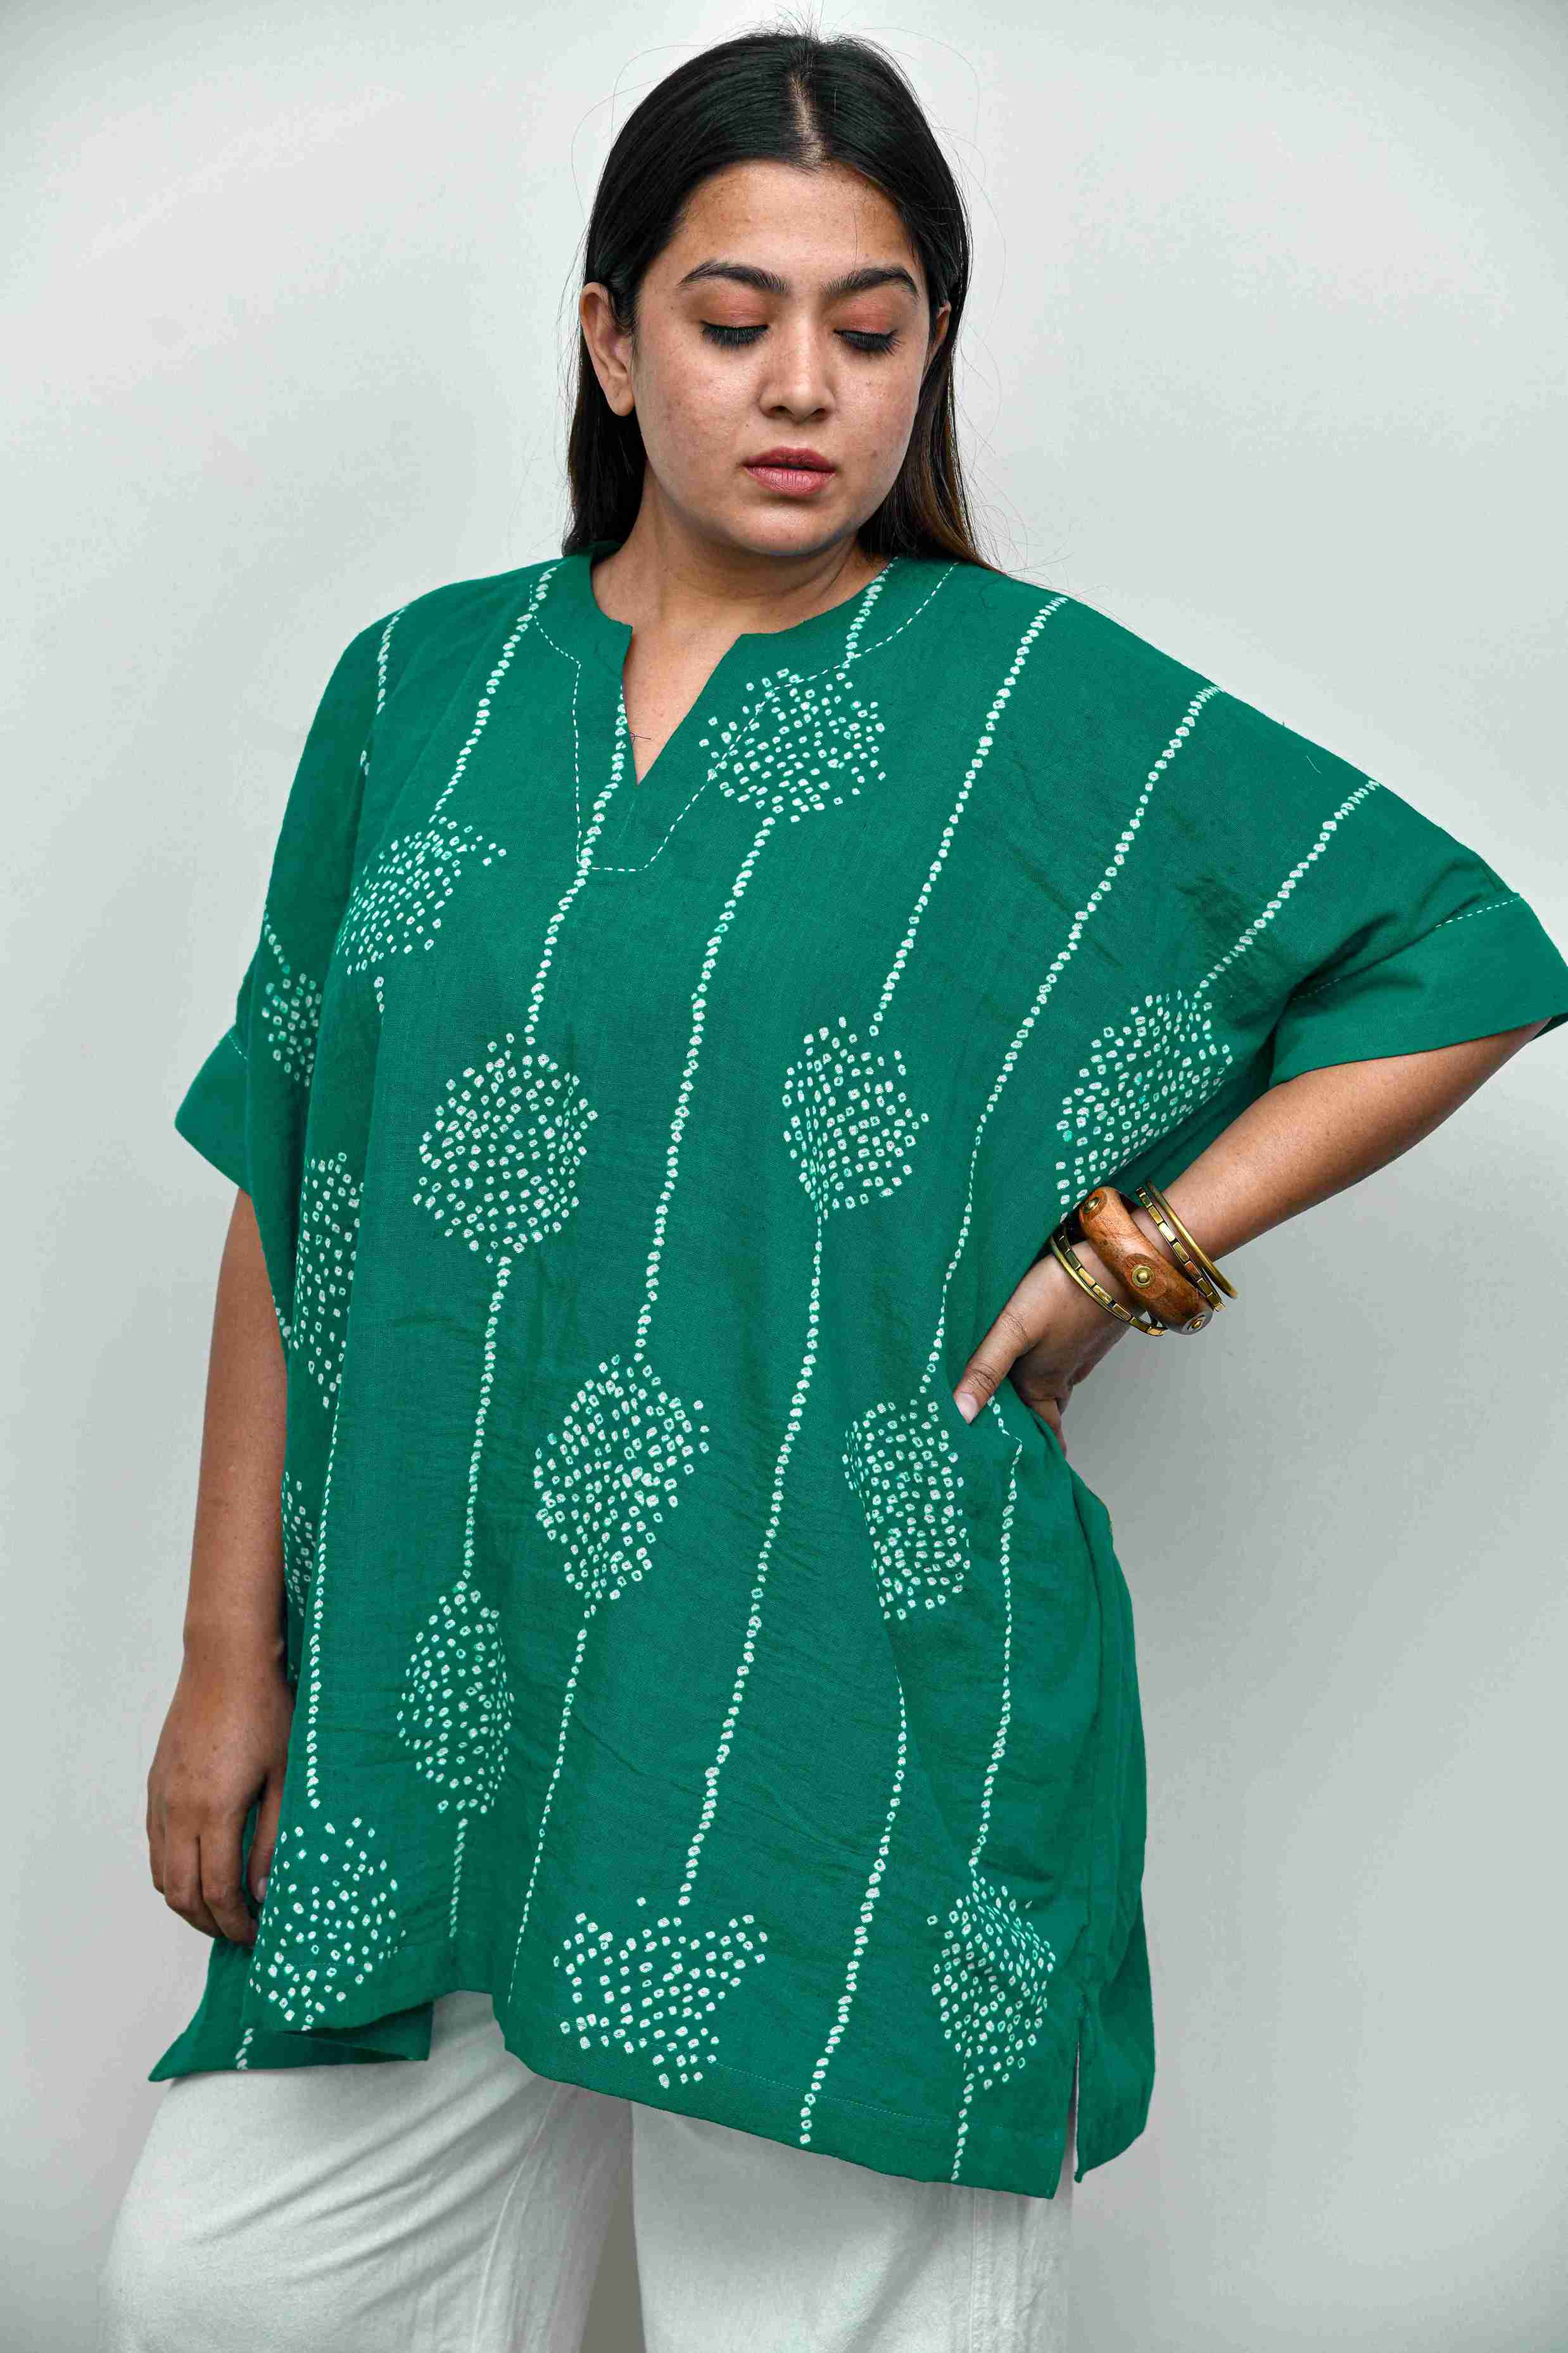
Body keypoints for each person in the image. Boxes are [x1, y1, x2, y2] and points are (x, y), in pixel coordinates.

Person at [98, 23, 1568, 2353]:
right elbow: (297, 1180)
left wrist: (1137, 1251)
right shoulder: (419, 693)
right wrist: (222, 1660)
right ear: (611, 341)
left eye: (871, 332)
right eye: (733, 319)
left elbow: (1455, 950)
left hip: (834, 1699)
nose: (804, 385)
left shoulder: (1021, 703)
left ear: (928, 355)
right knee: (222, 2292)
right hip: (431, 1699)